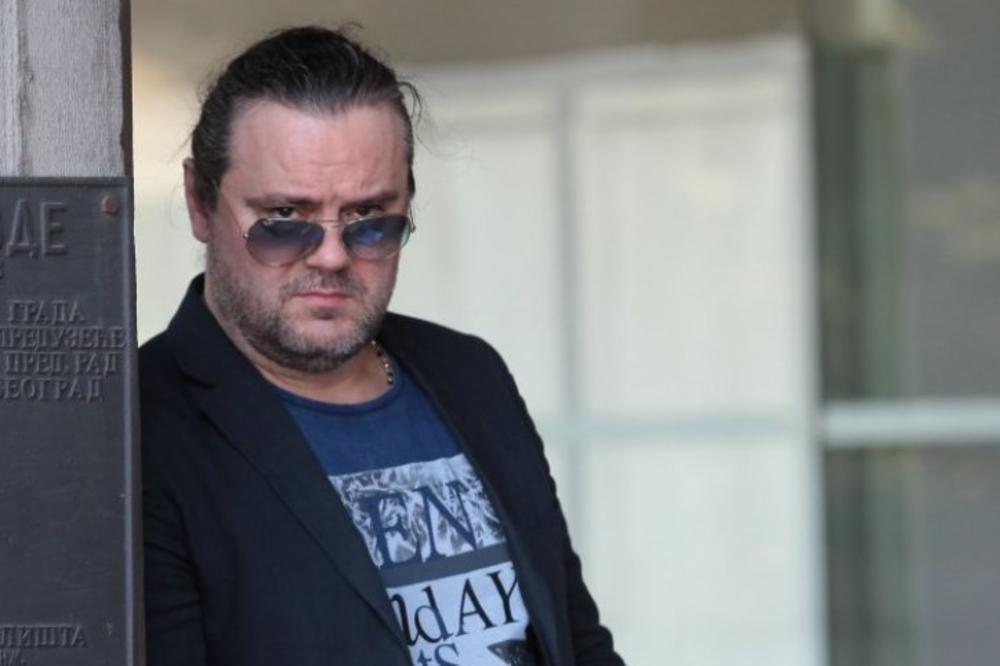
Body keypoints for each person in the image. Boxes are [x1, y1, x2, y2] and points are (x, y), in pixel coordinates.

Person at [140, 25, 624, 666]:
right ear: (201, 203)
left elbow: (576, 640)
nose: (332, 256)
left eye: (370, 221)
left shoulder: (469, 373)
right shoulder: (136, 427)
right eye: (283, 221)